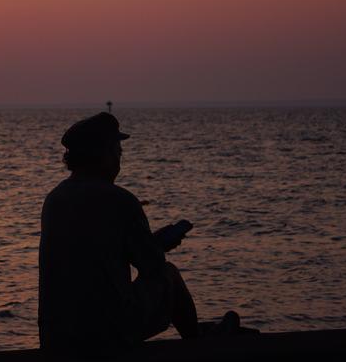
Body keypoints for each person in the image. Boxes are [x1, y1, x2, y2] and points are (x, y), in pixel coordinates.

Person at [38, 112, 237, 355]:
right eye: (117, 153)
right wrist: (160, 244)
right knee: (169, 275)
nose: (119, 162)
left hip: (56, 336)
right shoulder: (120, 200)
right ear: (105, 156)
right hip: (106, 334)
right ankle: (198, 344)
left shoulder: (54, 200)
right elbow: (152, 265)